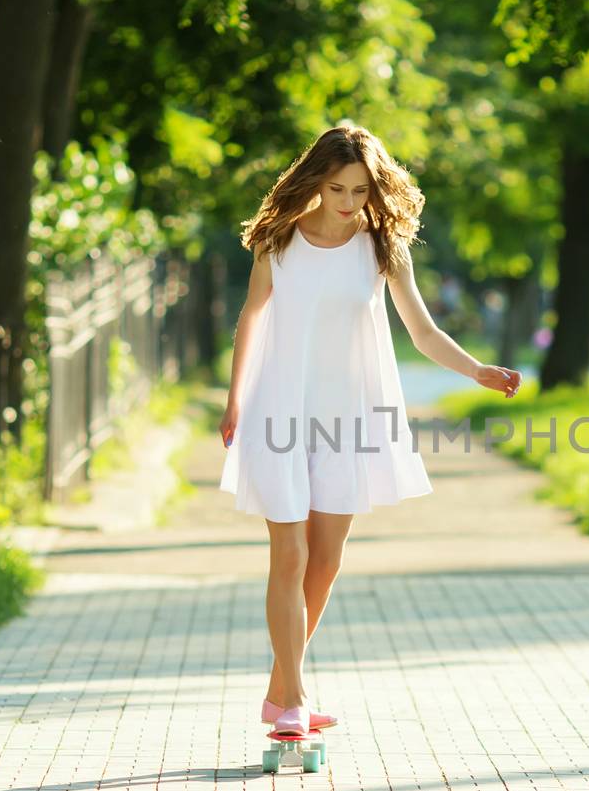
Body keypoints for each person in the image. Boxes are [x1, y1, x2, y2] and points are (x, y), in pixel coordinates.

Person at [218, 123, 521, 739]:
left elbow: (423, 331)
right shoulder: (278, 241)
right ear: (316, 182)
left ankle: (281, 691)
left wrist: (477, 371)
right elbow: (252, 317)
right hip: (279, 408)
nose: (349, 202)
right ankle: (295, 698)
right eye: (337, 189)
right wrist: (234, 401)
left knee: (325, 562)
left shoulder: (383, 248)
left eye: (361, 191)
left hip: (347, 417)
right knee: (290, 553)